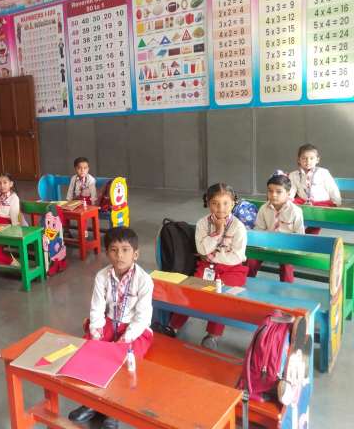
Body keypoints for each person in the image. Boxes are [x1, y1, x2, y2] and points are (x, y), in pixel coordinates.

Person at [68, 227, 153, 429]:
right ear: (107, 253)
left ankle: (113, 410)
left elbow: (142, 317)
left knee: (122, 362)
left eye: (125, 250)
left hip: (134, 330)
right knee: (90, 352)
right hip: (108, 323)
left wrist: (124, 339)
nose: (119, 255)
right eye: (114, 250)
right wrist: (96, 333)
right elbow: (96, 308)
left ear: (136, 254)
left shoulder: (144, 280)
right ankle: (91, 401)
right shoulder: (102, 276)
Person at [164, 183, 248, 350]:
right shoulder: (203, 223)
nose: (221, 208)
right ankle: (173, 326)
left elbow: (237, 256)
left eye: (225, 203)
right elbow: (202, 250)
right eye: (215, 203)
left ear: (233, 203)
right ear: (208, 203)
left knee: (221, 297)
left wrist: (213, 255)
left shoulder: (238, 226)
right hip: (207, 267)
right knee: (191, 291)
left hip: (232, 270)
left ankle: (213, 335)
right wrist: (218, 232)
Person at [247, 172, 304, 282]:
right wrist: (262, 243)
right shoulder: (264, 209)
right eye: (270, 191)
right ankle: (247, 282)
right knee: (251, 260)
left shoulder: (295, 211)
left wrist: (288, 246)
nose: (273, 195)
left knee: (286, 265)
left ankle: (286, 287)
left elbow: (299, 234)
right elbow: (259, 229)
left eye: (278, 192)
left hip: (287, 246)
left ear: (288, 193)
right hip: (266, 244)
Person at [289, 143, 341, 234]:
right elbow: (291, 190)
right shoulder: (294, 175)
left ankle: (309, 234)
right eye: (304, 158)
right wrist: (289, 200)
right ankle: (292, 231)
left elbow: (332, 188)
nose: (308, 161)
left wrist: (337, 202)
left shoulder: (323, 172)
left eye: (311, 158)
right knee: (288, 206)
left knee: (319, 214)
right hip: (304, 201)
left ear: (317, 160)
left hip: (321, 203)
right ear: (299, 160)